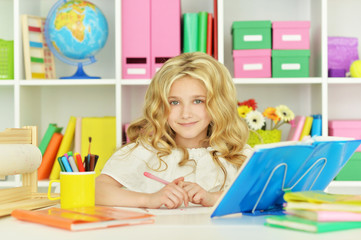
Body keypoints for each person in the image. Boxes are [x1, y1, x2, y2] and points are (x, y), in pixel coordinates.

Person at [95, 52, 253, 209]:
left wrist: (213, 198)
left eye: (198, 101)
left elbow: (261, 194)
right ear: (161, 106)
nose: (185, 114)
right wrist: (149, 199)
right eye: (174, 102)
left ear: (219, 104)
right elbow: (96, 190)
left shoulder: (237, 154)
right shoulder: (144, 151)